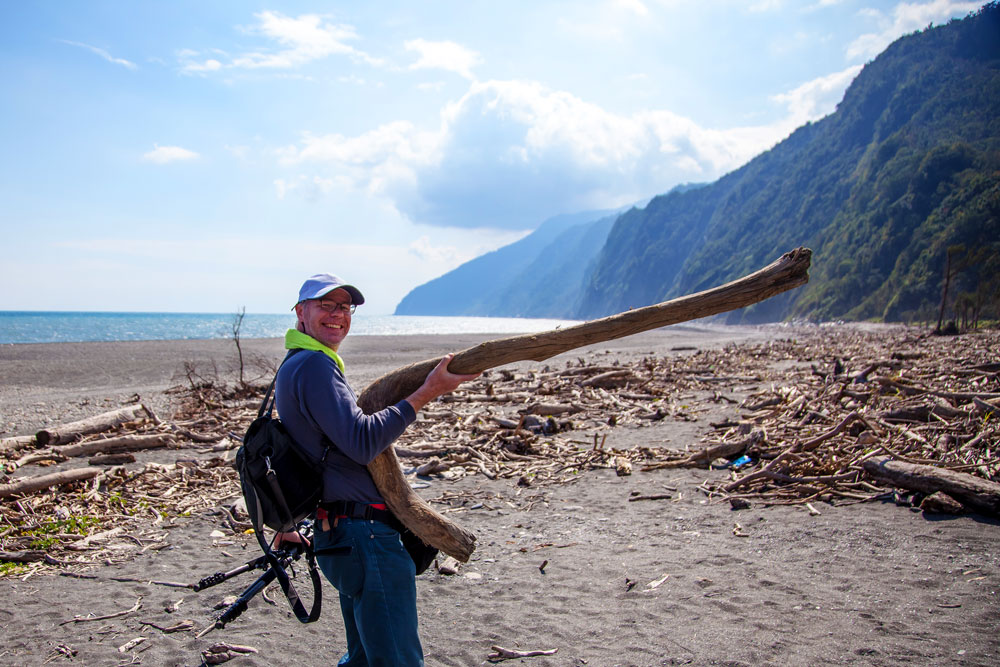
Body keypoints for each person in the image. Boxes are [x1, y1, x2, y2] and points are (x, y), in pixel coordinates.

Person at [274, 273, 478, 667]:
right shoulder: (314, 366)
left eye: (344, 307)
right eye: (325, 305)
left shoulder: (295, 364)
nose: (337, 315)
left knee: (365, 659)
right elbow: (362, 441)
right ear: (300, 312)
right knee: (396, 660)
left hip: (341, 533)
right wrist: (426, 393)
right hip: (364, 537)